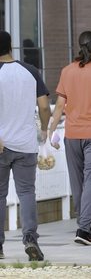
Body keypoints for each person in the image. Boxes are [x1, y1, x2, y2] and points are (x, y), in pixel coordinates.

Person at [49, 31, 91, 245]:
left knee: (77, 182)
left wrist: (50, 130)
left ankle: (83, 222)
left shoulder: (67, 71)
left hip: (72, 134)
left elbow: (59, 105)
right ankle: (84, 229)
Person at [0, 31, 50, 261]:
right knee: (27, 193)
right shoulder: (30, 71)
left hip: (1, 144)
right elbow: (44, 106)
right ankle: (30, 239)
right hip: (26, 144)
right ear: (11, 46)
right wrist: (44, 129)